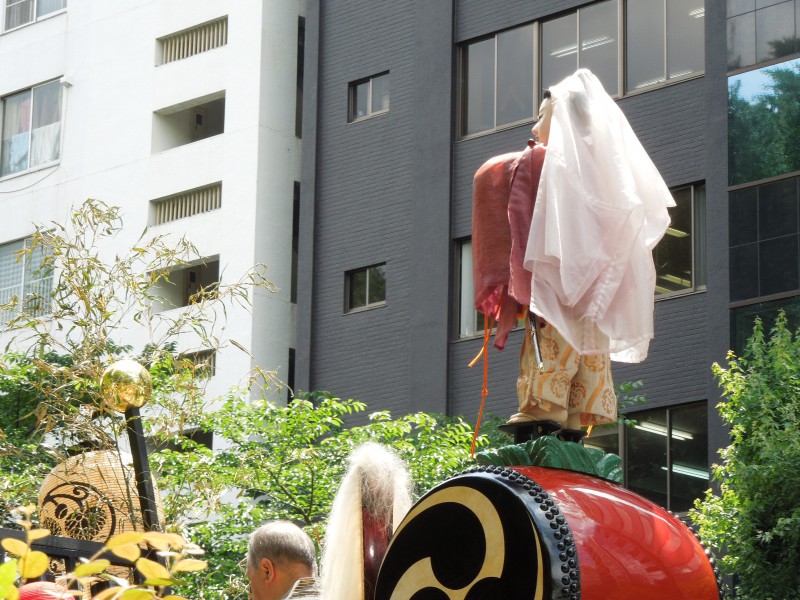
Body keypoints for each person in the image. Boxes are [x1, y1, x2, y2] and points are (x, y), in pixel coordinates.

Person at [246, 520, 321, 600]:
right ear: (314, 567)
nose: (251, 597)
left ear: (267, 571)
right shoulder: (334, 593)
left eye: (251, 585)